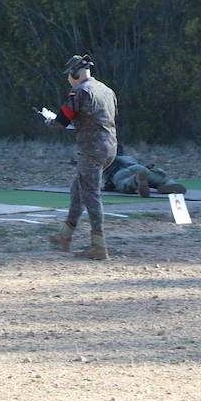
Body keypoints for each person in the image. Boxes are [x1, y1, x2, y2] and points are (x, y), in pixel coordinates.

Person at [44, 54, 118, 260]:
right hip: (110, 148)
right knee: (79, 189)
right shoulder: (106, 90)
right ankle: (64, 235)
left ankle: (99, 245)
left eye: (69, 74)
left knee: (91, 195)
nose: (68, 78)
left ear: (75, 73)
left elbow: (61, 121)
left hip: (91, 150)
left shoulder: (79, 92)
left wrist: (49, 121)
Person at [101, 151, 186, 197]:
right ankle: (170, 184)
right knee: (161, 180)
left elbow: (109, 184)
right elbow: (133, 168)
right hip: (138, 167)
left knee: (126, 185)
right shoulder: (128, 158)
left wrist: (107, 187)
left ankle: (135, 179)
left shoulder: (107, 163)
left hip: (120, 174)